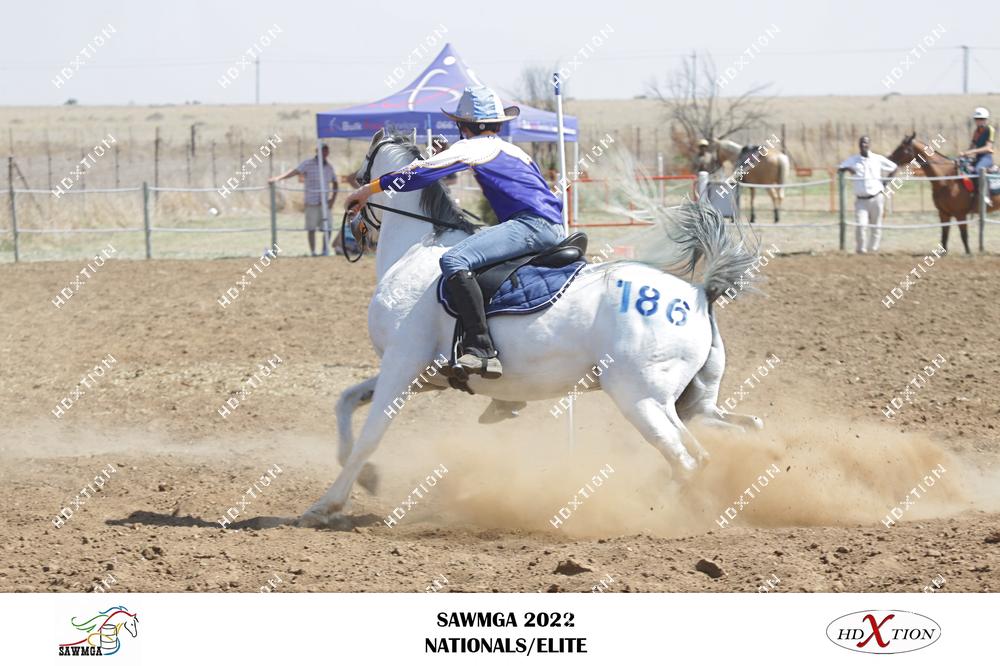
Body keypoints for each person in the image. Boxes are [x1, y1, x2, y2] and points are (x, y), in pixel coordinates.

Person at [344, 86, 565, 379]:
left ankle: (481, 348)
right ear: (498, 125)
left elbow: (418, 174)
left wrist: (368, 189)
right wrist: (444, 155)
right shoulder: (514, 151)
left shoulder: (471, 147)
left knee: (454, 260)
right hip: (554, 226)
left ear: (463, 125)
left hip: (528, 227)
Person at [269, 144, 338, 256]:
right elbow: (295, 172)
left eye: (326, 151)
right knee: (311, 228)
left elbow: (335, 183)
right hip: (311, 202)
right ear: (317, 151)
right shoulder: (308, 164)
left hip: (325, 203)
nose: (325, 153)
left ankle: (325, 251)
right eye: (323, 150)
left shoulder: (329, 167)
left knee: (328, 228)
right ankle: (313, 252)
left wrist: (332, 200)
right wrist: (278, 178)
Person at [837, 136, 897, 254]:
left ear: (869, 144)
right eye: (861, 143)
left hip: (876, 198)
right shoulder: (853, 160)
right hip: (861, 201)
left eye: (865, 142)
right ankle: (861, 250)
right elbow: (840, 169)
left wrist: (885, 182)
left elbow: (894, 168)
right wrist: (848, 169)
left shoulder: (877, 158)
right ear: (859, 145)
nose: (863, 145)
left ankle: (873, 250)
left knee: (876, 226)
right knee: (861, 225)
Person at [959, 107, 995, 204]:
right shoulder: (976, 131)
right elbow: (972, 145)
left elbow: (988, 147)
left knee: (979, 169)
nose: (979, 121)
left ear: (986, 119)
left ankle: (986, 195)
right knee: (962, 167)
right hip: (977, 157)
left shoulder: (990, 129)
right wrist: (964, 154)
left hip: (986, 158)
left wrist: (970, 152)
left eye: (981, 119)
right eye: (977, 119)